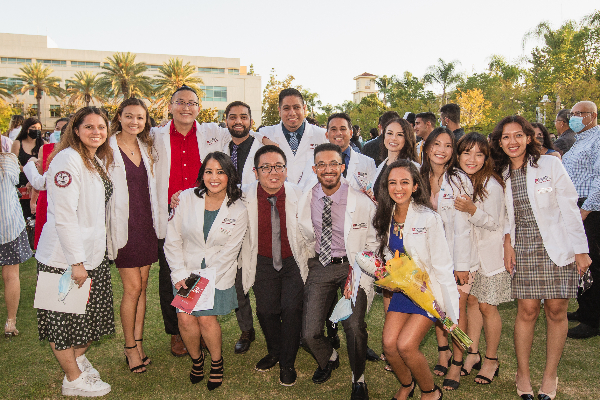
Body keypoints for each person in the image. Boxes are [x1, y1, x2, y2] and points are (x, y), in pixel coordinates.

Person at [490, 115, 591, 400]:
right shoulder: (502, 174)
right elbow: (506, 217)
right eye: (506, 137)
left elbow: (570, 208)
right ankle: (523, 374)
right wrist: (508, 244)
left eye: (518, 135)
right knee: (527, 311)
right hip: (523, 248)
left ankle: (550, 375)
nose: (513, 141)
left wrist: (580, 250)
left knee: (557, 311)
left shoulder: (550, 164)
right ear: (500, 142)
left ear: (529, 137)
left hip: (557, 247)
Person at [35, 107, 115, 397]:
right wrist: (76, 263)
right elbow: (65, 216)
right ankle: (72, 379)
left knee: (91, 320)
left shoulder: (93, 160)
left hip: (92, 255)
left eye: (101, 127)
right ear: (76, 130)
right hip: (65, 259)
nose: (96, 132)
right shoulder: (67, 160)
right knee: (63, 322)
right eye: (89, 127)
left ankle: (78, 361)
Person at [152, 85, 234, 357]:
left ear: (199, 108)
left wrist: (270, 141)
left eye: (191, 103)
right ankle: (177, 331)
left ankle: (201, 316)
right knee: (170, 273)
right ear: (170, 106)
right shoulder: (155, 135)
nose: (186, 107)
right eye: (180, 102)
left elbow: (244, 131)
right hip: (171, 212)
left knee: (202, 264)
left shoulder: (212, 133)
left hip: (204, 209)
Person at [298, 143, 378, 400]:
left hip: (352, 266)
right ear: (314, 168)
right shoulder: (306, 198)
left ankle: (359, 379)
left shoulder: (361, 200)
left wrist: (360, 270)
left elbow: (373, 240)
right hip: (321, 265)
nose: (328, 169)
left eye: (333, 163)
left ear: (342, 167)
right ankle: (329, 356)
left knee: (354, 326)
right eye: (322, 164)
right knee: (309, 333)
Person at [164, 152, 248, 391]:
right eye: (209, 171)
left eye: (220, 172)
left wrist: (204, 282)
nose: (214, 177)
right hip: (185, 269)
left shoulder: (238, 209)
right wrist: (180, 274)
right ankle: (197, 360)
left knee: (207, 319)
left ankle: (217, 362)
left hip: (217, 273)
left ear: (229, 176)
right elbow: (172, 239)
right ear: (202, 175)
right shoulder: (186, 199)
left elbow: (230, 251)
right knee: (185, 318)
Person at [376, 160, 458, 400]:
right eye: (393, 182)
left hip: (428, 293)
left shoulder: (429, 218)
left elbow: (443, 264)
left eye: (404, 182)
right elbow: (385, 254)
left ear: (414, 186)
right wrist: (385, 275)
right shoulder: (385, 215)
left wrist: (446, 306)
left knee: (406, 346)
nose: (398, 188)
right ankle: (407, 384)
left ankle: (430, 392)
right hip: (402, 291)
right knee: (389, 345)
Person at [238, 145, 307, 386]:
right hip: (262, 261)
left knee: (291, 310)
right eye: (266, 167)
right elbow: (210, 194)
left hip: (293, 262)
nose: (273, 172)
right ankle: (274, 351)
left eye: (278, 166)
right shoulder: (242, 196)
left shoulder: (299, 194)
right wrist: (180, 196)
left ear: (286, 170)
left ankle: (287, 363)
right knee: (266, 311)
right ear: (255, 172)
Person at [107, 98, 159, 373]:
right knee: (133, 288)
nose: (134, 122)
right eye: (129, 116)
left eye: (140, 117)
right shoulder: (107, 147)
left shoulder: (146, 146)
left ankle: (138, 342)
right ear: (119, 116)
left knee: (143, 287)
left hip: (146, 224)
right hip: (122, 225)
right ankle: (129, 348)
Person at [420, 127, 474, 390]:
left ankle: (457, 360)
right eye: (437, 144)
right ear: (427, 147)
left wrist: (461, 265)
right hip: (428, 257)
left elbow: (464, 226)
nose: (442, 150)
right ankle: (442, 352)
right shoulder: (418, 177)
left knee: (456, 309)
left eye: (448, 145)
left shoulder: (460, 179)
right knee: (437, 307)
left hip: (455, 257)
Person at [454, 132, 510, 386]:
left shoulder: (492, 184)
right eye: (467, 152)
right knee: (473, 302)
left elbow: (496, 223)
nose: (472, 158)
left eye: (479, 153)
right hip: (473, 257)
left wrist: (472, 211)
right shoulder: (464, 181)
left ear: (486, 157)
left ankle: (491, 359)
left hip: (492, 257)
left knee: (488, 307)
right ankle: (473, 353)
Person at [562, 101, 600, 339]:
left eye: (580, 114)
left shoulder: (597, 140)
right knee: (581, 261)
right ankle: (584, 308)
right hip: (577, 205)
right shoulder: (580, 139)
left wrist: (586, 209)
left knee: (591, 262)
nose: (574, 118)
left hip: (589, 207)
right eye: (572, 114)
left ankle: (592, 319)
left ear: (593, 116)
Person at [256, 88, 327, 187]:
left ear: (304, 109)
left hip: (312, 198)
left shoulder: (322, 135)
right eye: (286, 108)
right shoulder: (266, 134)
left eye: (296, 107)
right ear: (279, 111)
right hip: (278, 196)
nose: (292, 113)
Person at [1, 148, 33, 338]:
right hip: (8, 225)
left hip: (8, 226)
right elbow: (15, 179)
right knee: (11, 276)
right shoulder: (8, 160)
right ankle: (10, 322)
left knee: (11, 276)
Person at [300, 113, 375, 192]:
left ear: (350, 133)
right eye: (333, 129)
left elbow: (374, 195)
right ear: (326, 135)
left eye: (343, 129)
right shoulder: (313, 162)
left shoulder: (368, 163)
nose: (338, 133)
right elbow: (303, 191)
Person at [372, 117, 419, 200]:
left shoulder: (414, 168)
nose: (393, 138)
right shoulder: (381, 166)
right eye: (389, 133)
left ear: (407, 138)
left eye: (400, 135)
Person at [10, 117, 46, 219]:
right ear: (26, 129)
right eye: (33, 127)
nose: (36, 130)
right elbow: (13, 163)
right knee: (22, 212)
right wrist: (28, 168)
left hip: (37, 182)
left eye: (39, 128)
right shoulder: (18, 143)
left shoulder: (43, 145)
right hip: (21, 181)